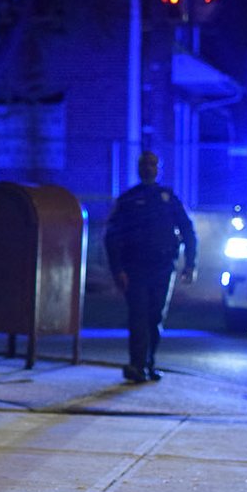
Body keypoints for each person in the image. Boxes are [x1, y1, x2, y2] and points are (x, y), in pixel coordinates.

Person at [104, 150, 198, 383]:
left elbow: (187, 230)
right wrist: (118, 269)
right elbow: (112, 237)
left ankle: (148, 363)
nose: (148, 168)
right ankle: (137, 365)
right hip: (135, 268)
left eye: (152, 164)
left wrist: (190, 264)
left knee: (155, 316)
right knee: (138, 316)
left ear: (158, 168)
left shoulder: (167, 198)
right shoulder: (128, 200)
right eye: (144, 164)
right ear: (138, 168)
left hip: (163, 266)